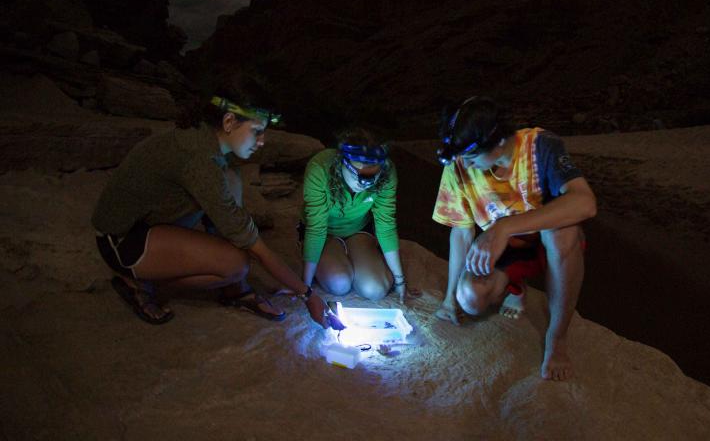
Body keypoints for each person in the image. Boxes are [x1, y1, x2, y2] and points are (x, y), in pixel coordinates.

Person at [91, 90, 331, 327]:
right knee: (236, 264)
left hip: (151, 221)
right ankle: (143, 284)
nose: (262, 141)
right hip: (122, 240)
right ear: (229, 121)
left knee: (230, 180)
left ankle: (235, 289)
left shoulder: (205, 140)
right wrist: (307, 295)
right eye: (257, 131)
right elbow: (255, 246)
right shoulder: (199, 159)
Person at [432, 96, 596, 381]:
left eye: (471, 159)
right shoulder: (459, 165)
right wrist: (449, 299)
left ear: (497, 143)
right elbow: (461, 231)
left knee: (562, 232)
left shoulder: (540, 146)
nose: (467, 167)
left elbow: (585, 203)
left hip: (550, 247)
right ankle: (515, 287)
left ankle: (556, 338)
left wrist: (504, 226)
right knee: (471, 297)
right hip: (509, 250)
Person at [299, 129, 418, 302]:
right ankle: (329, 256)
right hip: (325, 233)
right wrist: (305, 287)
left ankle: (355, 254)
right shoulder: (320, 169)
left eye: (372, 176)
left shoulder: (387, 172)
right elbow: (316, 228)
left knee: (376, 289)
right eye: (358, 174)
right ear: (342, 163)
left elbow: (386, 224)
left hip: (358, 229)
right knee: (339, 283)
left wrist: (400, 281)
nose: (364, 183)